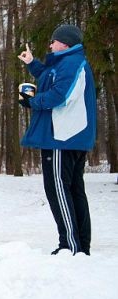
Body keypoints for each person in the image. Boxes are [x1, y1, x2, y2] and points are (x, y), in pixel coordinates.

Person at [17, 24, 97, 256]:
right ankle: (80, 246)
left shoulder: (72, 63)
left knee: (59, 191)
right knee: (73, 191)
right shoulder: (66, 63)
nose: (50, 45)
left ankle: (69, 246)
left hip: (62, 137)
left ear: (65, 43)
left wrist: (32, 101)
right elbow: (49, 78)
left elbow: (59, 95)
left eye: (53, 41)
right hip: (69, 137)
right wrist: (32, 63)